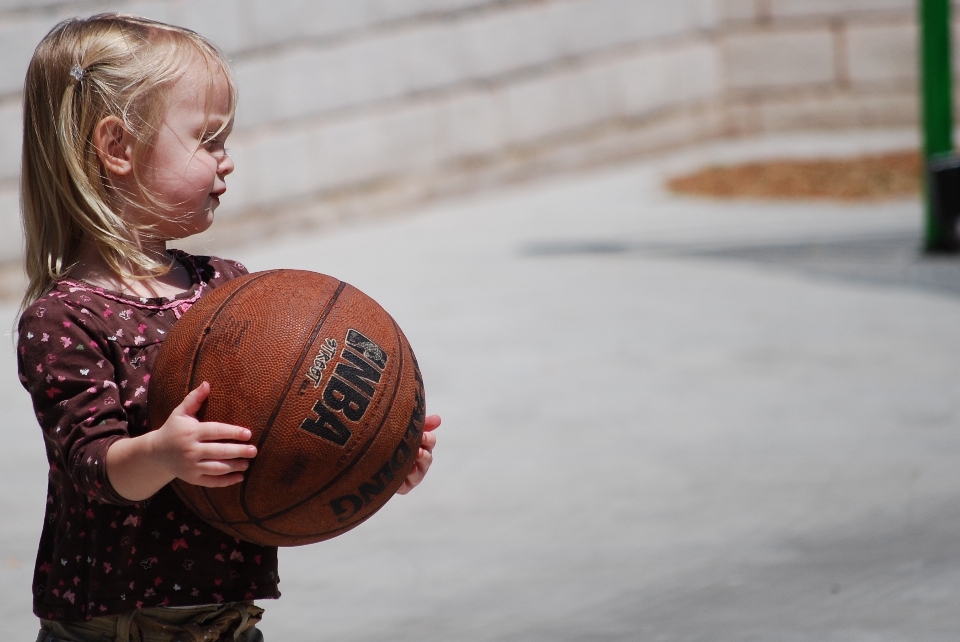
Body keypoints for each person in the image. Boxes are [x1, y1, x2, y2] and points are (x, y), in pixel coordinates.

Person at [17, 14, 440, 642]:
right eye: (208, 139)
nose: (228, 161)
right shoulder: (65, 317)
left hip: (225, 619)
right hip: (117, 622)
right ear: (118, 148)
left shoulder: (226, 287)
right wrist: (164, 452)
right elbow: (93, 465)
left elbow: (275, 437)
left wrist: (371, 451)